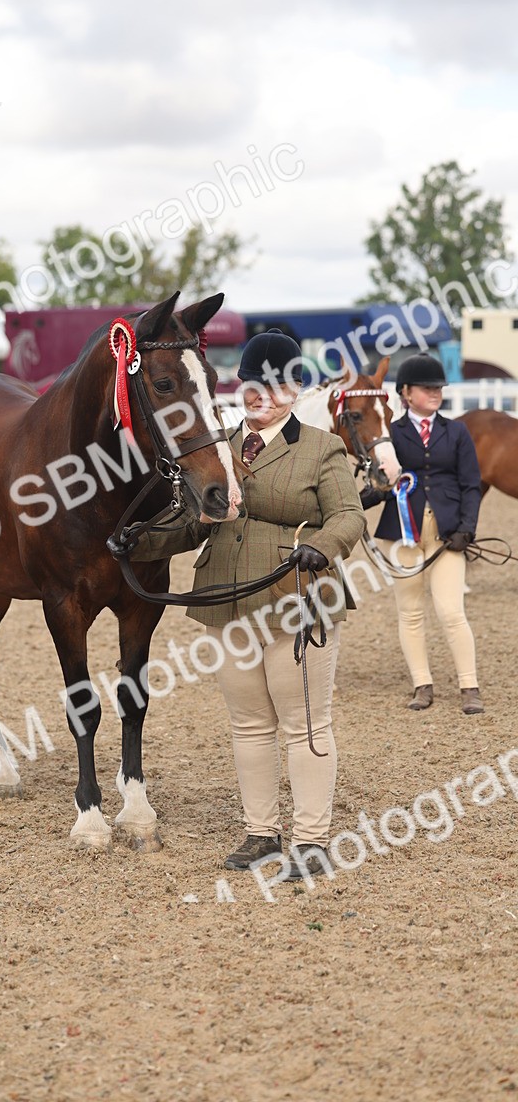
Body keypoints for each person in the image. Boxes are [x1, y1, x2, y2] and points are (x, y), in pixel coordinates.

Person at [123, 329, 365, 879]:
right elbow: (192, 523)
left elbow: (348, 516)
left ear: (296, 389)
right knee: (249, 725)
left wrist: (322, 548)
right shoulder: (219, 447)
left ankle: (311, 841)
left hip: (295, 599)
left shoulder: (321, 447)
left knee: (305, 724)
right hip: (227, 602)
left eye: (276, 386)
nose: (262, 395)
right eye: (253, 384)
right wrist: (138, 542)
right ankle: (261, 834)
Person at [360, 353, 483, 714]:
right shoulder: (392, 433)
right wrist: (357, 501)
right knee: (410, 612)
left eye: (438, 387)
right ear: (406, 393)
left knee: (451, 611)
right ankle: (422, 684)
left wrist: (467, 529)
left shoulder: (457, 431)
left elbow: (471, 485)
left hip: (447, 535)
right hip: (401, 534)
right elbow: (384, 482)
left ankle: (469, 686)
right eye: (427, 387)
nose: (435, 392)